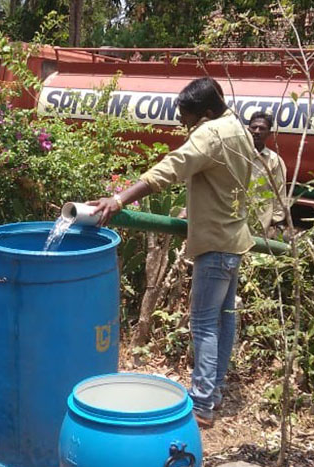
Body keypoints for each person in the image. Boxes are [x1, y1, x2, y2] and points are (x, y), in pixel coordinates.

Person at [90, 77, 255, 429]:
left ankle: (201, 404)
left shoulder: (210, 134)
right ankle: (215, 390)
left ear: (207, 113)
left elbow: (170, 169)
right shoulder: (238, 127)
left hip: (215, 244)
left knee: (205, 324)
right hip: (234, 240)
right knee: (224, 319)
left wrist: (119, 199)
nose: (183, 124)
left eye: (188, 118)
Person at [247, 111, 288, 235]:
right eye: (254, 127)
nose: (257, 131)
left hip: (259, 224)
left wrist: (277, 221)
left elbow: (279, 192)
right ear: (248, 129)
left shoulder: (274, 161)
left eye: (262, 128)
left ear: (269, 133)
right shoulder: (236, 155)